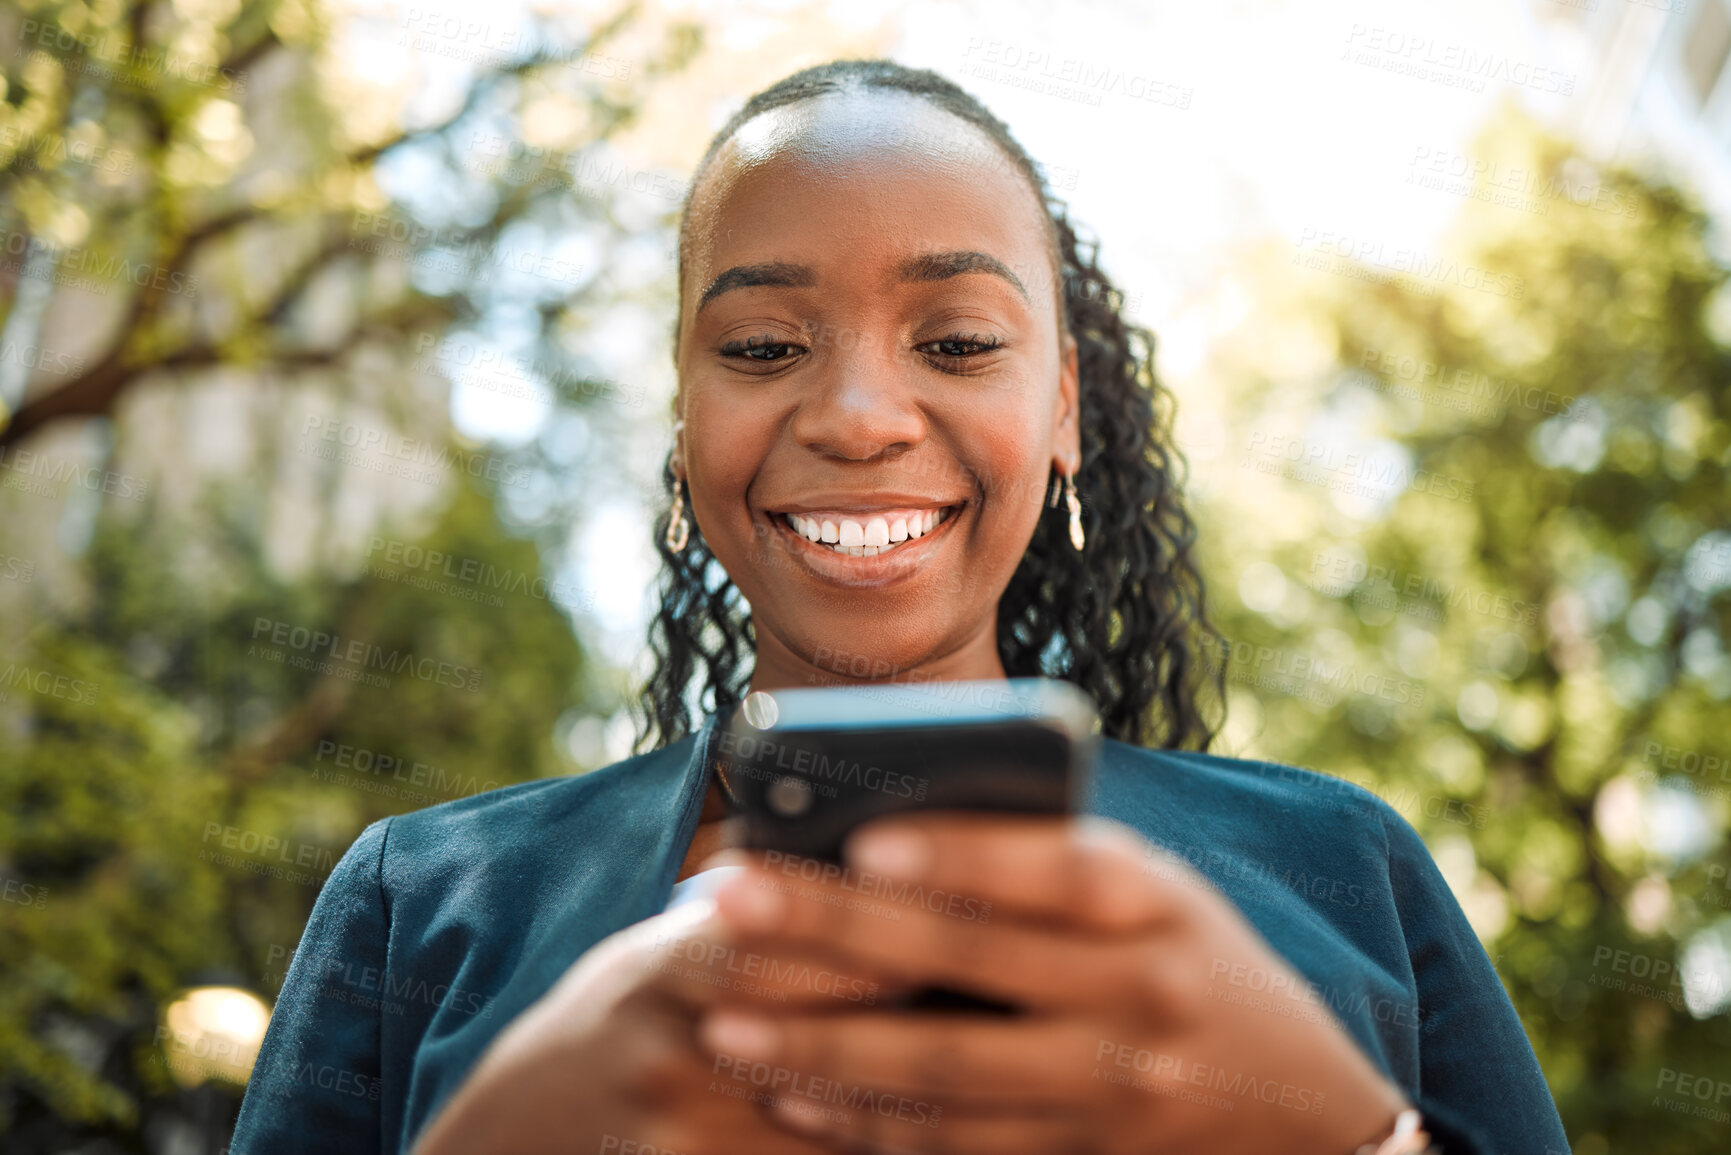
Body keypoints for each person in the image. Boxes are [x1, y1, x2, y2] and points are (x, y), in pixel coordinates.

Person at [230, 59, 1572, 1155]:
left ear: (1061, 412)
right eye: (762, 348)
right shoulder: (421, 902)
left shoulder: (1350, 877)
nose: (861, 417)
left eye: (959, 343)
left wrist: (1353, 1141)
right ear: (688, 415)